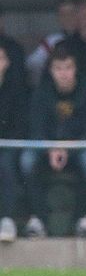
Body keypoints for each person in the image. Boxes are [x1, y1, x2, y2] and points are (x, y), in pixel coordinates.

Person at [20, 45, 86, 238]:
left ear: (75, 69)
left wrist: (66, 149)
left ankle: (83, 218)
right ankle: (38, 218)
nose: (63, 73)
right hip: (47, 150)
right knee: (26, 161)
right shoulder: (41, 93)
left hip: (77, 149)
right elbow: (36, 129)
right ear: (51, 70)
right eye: (58, 68)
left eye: (68, 67)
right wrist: (51, 149)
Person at [0, 44, 29, 243]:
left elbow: (19, 125)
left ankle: (7, 219)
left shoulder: (16, 90)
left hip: (8, 144)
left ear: (7, 63)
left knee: (6, 165)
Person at [26, 0, 80, 88]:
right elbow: (33, 64)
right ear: (58, 18)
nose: (67, 17)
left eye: (71, 13)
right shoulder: (51, 41)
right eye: (63, 14)